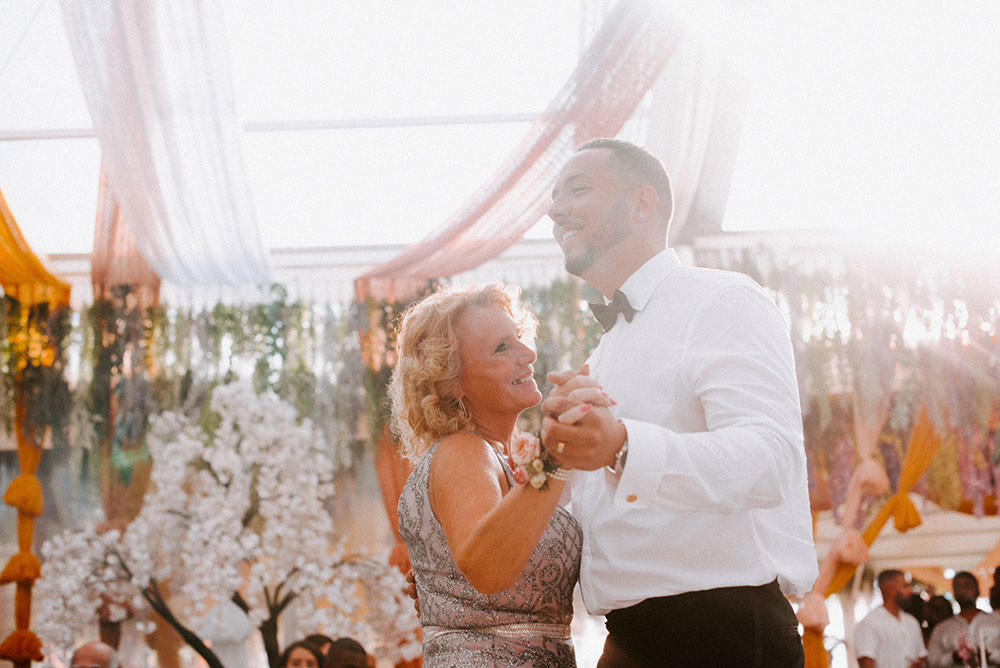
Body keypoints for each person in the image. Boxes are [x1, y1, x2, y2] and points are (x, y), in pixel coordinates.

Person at [539, 138, 818, 667]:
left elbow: (770, 461)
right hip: (626, 639)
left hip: (721, 635)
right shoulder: (602, 352)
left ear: (643, 204)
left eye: (577, 189)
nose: (555, 210)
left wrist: (621, 447)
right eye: (554, 197)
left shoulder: (721, 300)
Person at [393, 283, 595, 666]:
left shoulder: (502, 459)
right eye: (503, 348)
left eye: (519, 338)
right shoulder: (462, 451)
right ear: (452, 382)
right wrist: (556, 458)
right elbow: (487, 566)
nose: (529, 354)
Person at [854, 569, 927, 668]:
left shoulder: (911, 621)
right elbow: (866, 663)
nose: (910, 591)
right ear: (889, 589)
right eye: (905, 586)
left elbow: (922, 655)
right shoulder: (869, 623)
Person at [927, 571, 989, 667]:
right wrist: (952, 657)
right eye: (958, 587)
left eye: (967, 586)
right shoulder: (942, 628)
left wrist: (991, 655)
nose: (963, 591)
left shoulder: (996, 622)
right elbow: (932, 662)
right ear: (954, 593)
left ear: (978, 590)